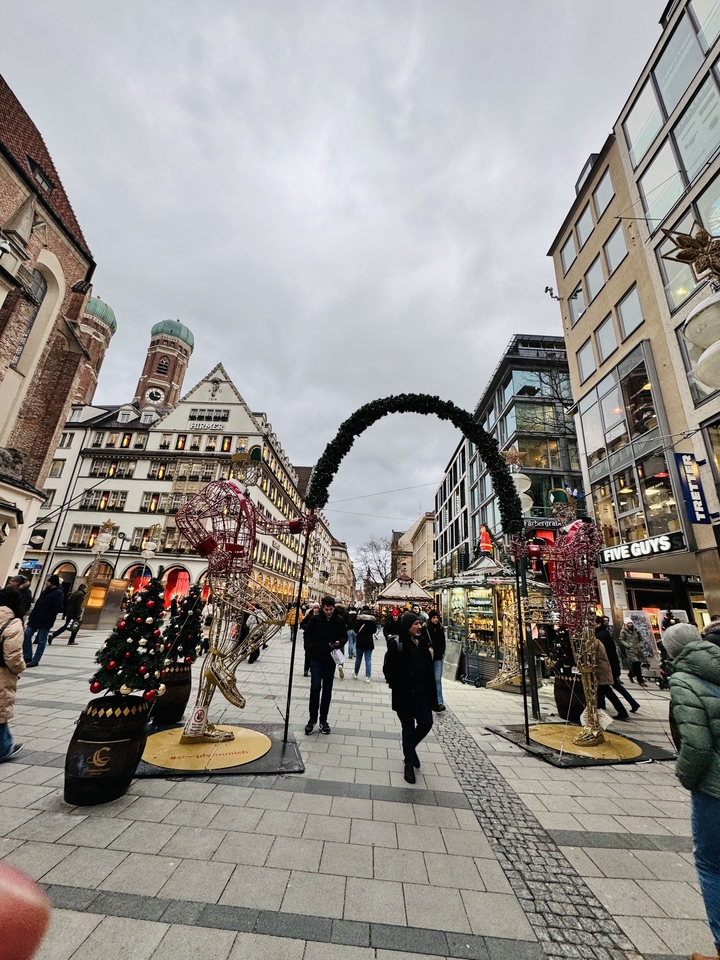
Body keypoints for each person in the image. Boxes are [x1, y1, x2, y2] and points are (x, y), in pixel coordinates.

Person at [665, 623, 720, 960]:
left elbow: (696, 745)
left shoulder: (685, 680)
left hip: (713, 786)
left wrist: (686, 776)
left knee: (712, 864)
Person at [384, 610, 438, 783]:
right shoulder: (397, 644)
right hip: (404, 695)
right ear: (408, 627)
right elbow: (388, 670)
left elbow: (428, 670)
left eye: (419, 623)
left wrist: (432, 693)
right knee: (407, 729)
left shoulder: (423, 643)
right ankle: (409, 764)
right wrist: (397, 684)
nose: (419, 626)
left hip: (421, 694)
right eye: (415, 624)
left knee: (426, 723)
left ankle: (410, 749)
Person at [304, 597, 347, 735]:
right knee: (315, 688)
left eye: (331, 609)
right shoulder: (315, 620)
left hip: (330, 660)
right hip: (316, 659)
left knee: (327, 690)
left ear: (334, 607)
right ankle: (312, 719)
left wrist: (339, 642)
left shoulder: (339, 620)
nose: (329, 612)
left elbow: (344, 637)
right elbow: (307, 636)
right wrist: (311, 649)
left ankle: (323, 720)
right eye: (326, 609)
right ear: (322, 608)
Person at [0, 588, 26, 762]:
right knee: (1, 711)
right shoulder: (13, 623)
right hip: (1, 673)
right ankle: (4, 748)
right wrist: (20, 668)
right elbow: (13, 656)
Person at [595, 617, 639, 713]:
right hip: (609, 665)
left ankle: (626, 707)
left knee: (611, 686)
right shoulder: (603, 633)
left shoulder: (601, 635)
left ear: (598, 624)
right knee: (610, 686)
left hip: (607, 666)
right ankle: (631, 704)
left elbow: (602, 652)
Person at [22, 576, 64, 667]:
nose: (46, 583)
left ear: (52, 582)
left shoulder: (58, 593)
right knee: (26, 635)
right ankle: (27, 656)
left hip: (46, 620)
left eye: (48, 581)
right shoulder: (46, 591)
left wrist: (48, 617)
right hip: (35, 619)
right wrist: (32, 616)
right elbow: (38, 604)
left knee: (41, 640)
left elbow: (57, 608)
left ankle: (36, 660)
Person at [594, 635, 630, 721]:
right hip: (602, 670)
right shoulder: (597, 641)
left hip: (600, 671)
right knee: (605, 692)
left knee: (607, 692)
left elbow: (593, 656)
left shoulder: (595, 642)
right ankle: (621, 712)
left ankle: (622, 712)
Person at [426, 609, 446, 712]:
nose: (436, 619)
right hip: (429, 657)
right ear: (430, 618)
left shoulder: (441, 629)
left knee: (437, 679)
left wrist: (441, 652)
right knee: (429, 679)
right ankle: (430, 700)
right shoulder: (426, 629)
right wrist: (429, 645)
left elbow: (443, 642)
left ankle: (439, 701)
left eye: (437, 617)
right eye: (434, 618)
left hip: (438, 657)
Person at [618, 619, 647, 687]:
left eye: (631, 623)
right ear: (626, 624)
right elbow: (621, 639)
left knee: (638, 663)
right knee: (636, 663)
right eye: (629, 623)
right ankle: (640, 680)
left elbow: (640, 638)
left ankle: (630, 674)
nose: (630, 624)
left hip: (638, 649)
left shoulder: (636, 630)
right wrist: (627, 645)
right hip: (630, 650)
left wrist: (640, 644)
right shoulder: (623, 631)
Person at [354, 605, 376, 682]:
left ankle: (356, 673)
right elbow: (374, 631)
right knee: (368, 659)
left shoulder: (359, 619)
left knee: (358, 659)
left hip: (360, 641)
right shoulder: (372, 620)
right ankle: (368, 676)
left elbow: (356, 630)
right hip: (369, 642)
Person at [300, 602, 321, 676]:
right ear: (313, 609)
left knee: (314, 655)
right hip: (308, 638)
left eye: (317, 608)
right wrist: (307, 627)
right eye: (315, 608)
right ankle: (306, 669)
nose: (316, 609)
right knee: (307, 654)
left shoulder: (321, 617)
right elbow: (302, 624)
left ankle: (312, 668)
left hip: (317, 639)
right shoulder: (309, 616)